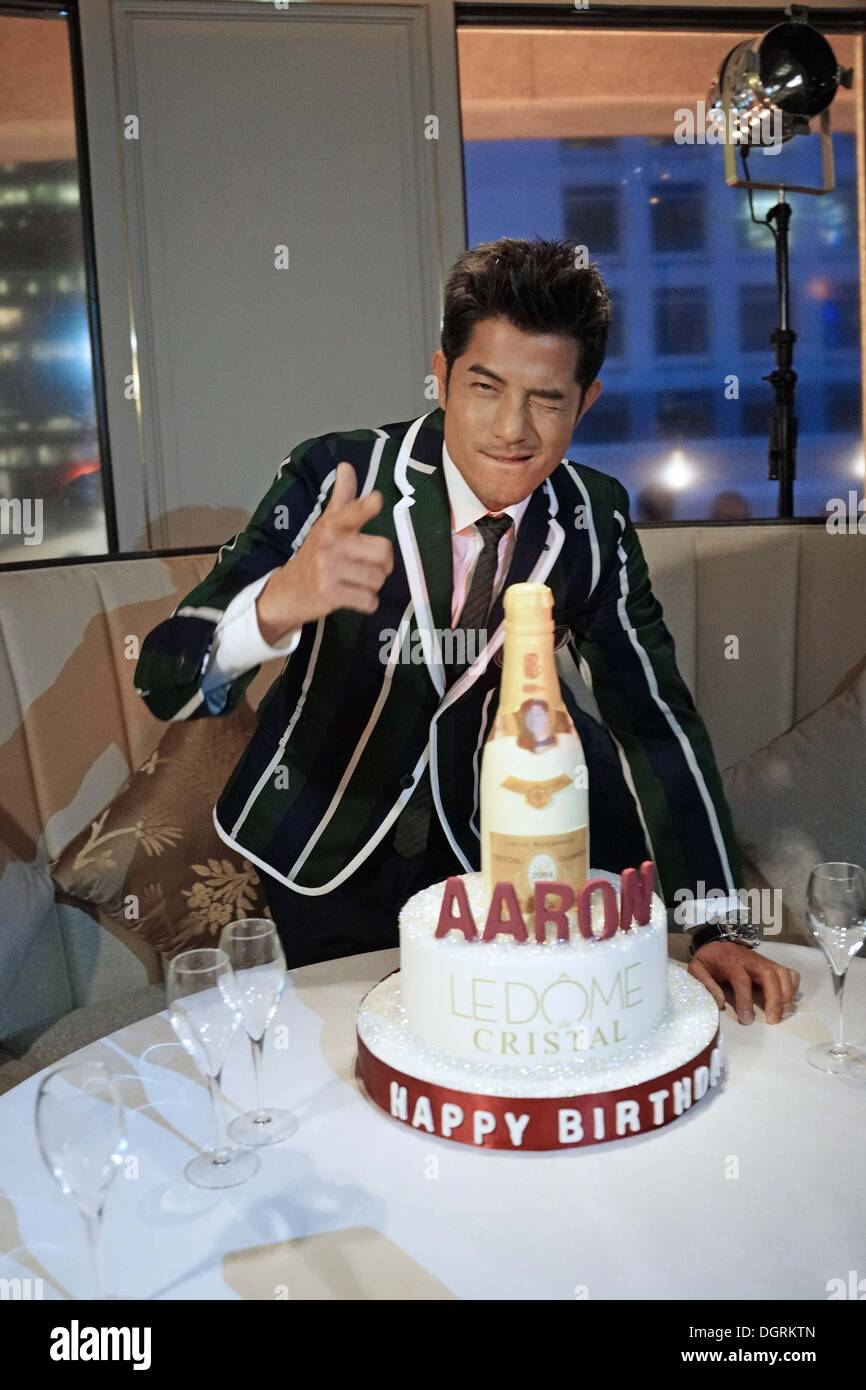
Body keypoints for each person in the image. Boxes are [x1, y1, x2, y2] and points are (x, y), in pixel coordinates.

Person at [135, 237, 798, 1024]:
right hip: (323, 845)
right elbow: (166, 682)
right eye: (486, 387)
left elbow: (653, 720)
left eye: (547, 399)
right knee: (356, 1087)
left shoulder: (595, 517)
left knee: (492, 1073)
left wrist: (716, 920)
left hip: (491, 861)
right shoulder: (336, 474)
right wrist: (276, 605)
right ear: (443, 378)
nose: (513, 429)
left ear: (585, 402)